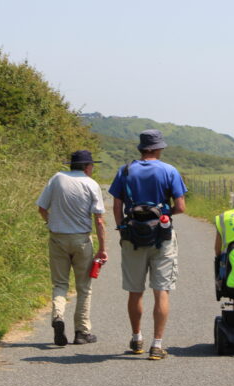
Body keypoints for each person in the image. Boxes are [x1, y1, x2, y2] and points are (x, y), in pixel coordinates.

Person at [109, 129, 187, 360]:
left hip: (132, 236)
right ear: (157, 148)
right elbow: (181, 207)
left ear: (142, 148)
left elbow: (116, 206)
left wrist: (122, 227)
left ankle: (137, 338)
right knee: (161, 290)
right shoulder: (169, 170)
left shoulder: (124, 171)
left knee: (135, 291)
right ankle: (157, 344)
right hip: (161, 236)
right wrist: (164, 214)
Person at [36, 150, 107, 346]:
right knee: (84, 287)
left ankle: (58, 316)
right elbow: (99, 220)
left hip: (57, 238)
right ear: (87, 167)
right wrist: (102, 248)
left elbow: (42, 208)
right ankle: (82, 332)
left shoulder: (57, 178)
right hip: (81, 240)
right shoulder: (91, 184)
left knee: (60, 284)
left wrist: (51, 223)